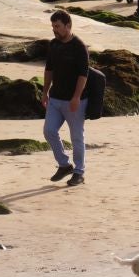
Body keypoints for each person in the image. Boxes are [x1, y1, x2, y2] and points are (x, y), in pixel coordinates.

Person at [42, 9, 89, 187]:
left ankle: (79, 171)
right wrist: (45, 92)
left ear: (68, 26)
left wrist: (76, 97)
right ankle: (64, 165)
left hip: (74, 101)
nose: (54, 29)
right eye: (53, 26)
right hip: (55, 99)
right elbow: (49, 70)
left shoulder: (79, 46)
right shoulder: (53, 44)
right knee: (49, 131)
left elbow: (83, 75)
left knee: (77, 136)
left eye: (58, 26)